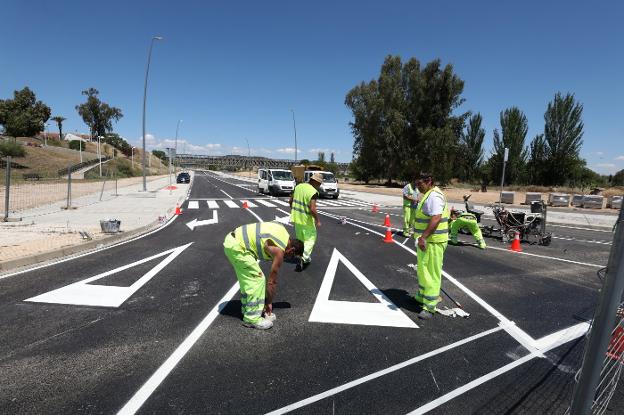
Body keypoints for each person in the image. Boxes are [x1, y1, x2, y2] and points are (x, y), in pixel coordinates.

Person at [223, 221, 304, 330]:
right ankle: (252, 318)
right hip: (238, 247)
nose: (289, 259)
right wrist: (269, 303)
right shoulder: (279, 251)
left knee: (248, 280)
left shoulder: (283, 233)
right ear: (292, 250)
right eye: (292, 256)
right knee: (258, 279)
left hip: (233, 241)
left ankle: (247, 309)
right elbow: (272, 282)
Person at [412, 172, 450, 319]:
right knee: (423, 271)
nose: (418, 187)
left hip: (433, 242)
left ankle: (430, 306)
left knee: (431, 273)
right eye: (416, 184)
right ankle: (422, 297)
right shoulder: (428, 194)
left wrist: (423, 237)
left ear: (428, 181)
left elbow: (436, 218)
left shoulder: (434, 196)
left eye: (419, 184)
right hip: (427, 242)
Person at [289, 172, 322, 271]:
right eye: (319, 184)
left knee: (301, 241)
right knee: (310, 240)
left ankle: (299, 254)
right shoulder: (313, 192)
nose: (319, 186)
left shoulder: (298, 187)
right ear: (315, 181)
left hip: (297, 219)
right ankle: (303, 258)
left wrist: (294, 210)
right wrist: (318, 220)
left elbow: (290, 201)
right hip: (307, 221)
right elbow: (312, 209)